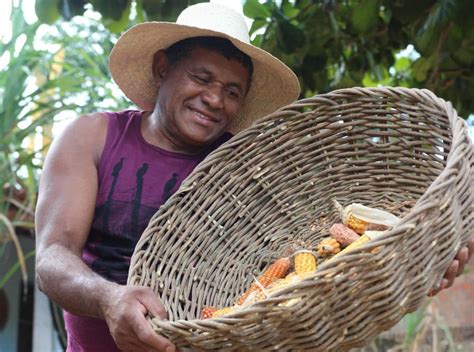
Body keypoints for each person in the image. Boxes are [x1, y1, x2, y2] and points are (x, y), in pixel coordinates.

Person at [35, 2, 473, 352]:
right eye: (201, 78)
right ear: (163, 67)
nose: (213, 99)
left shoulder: (248, 169)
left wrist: (412, 265)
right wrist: (110, 298)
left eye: (232, 92)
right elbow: (52, 258)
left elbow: (301, 271)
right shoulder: (93, 137)